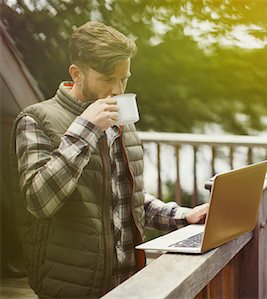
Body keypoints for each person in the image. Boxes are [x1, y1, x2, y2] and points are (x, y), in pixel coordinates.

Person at [10, 21, 209, 298]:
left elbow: (126, 199)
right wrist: (86, 130)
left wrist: (183, 216)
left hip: (127, 285)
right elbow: (39, 200)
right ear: (76, 74)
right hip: (70, 290)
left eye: (124, 79)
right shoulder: (36, 120)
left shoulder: (121, 120)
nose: (117, 90)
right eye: (107, 79)